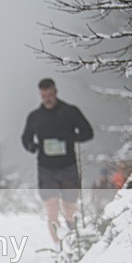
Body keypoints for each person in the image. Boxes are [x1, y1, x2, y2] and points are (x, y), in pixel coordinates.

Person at [21, 78, 93, 244]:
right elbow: (25, 138)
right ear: (40, 95)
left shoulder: (70, 111)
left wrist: (70, 137)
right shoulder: (35, 116)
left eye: (50, 94)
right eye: (44, 95)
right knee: (51, 207)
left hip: (68, 166)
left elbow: (88, 132)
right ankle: (58, 245)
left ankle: (75, 241)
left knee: (70, 208)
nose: (48, 98)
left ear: (56, 92)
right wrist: (32, 146)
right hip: (46, 168)